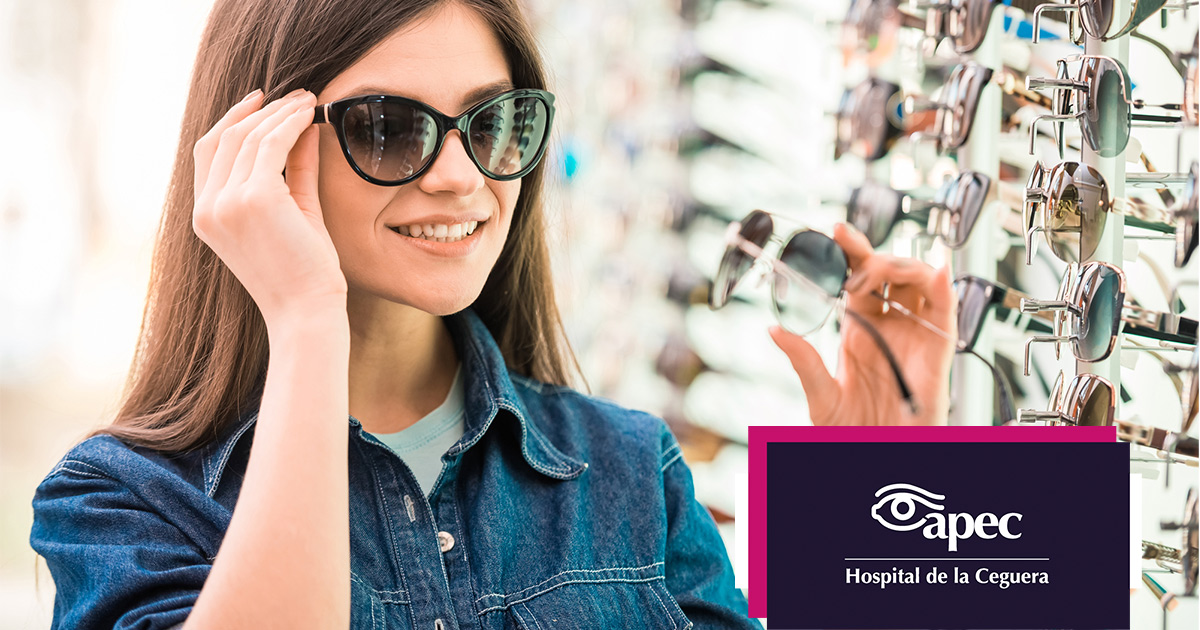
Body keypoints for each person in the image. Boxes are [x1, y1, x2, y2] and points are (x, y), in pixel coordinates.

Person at [28, 0, 954, 628]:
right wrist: (307, 319)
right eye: (387, 128)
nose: (462, 178)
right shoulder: (121, 504)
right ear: (256, 155)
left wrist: (883, 491)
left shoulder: (630, 466)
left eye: (493, 122)